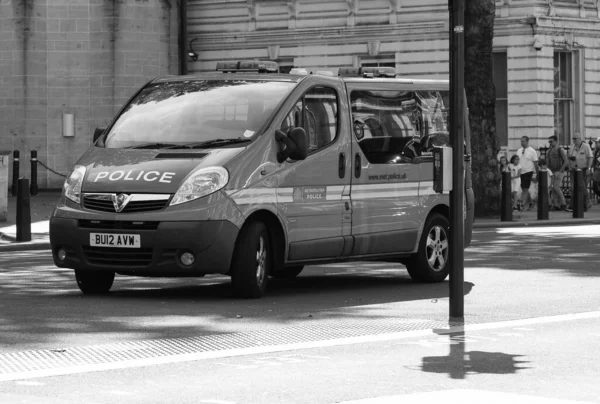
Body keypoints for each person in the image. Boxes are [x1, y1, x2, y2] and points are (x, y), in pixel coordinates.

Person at [568, 133, 593, 211]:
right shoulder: (572, 147)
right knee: (573, 188)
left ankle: (586, 204)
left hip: (583, 170)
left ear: (579, 139)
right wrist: (569, 165)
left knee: (582, 188)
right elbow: (568, 157)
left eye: (575, 139)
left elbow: (590, 157)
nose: (574, 140)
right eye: (573, 139)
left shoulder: (586, 147)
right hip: (573, 170)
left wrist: (589, 168)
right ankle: (573, 205)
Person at [516, 136, 539, 211]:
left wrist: (537, 173)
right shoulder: (519, 150)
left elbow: (535, 163)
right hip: (520, 172)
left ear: (527, 141)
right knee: (523, 188)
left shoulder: (532, 151)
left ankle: (522, 205)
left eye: (523, 141)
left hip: (528, 171)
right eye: (521, 141)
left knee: (525, 189)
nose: (521, 143)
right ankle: (531, 202)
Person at [546, 135, 568, 211]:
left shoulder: (560, 149)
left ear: (556, 141)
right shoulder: (549, 151)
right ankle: (556, 205)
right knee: (553, 188)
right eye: (549, 141)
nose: (550, 143)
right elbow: (548, 163)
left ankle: (563, 203)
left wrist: (560, 171)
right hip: (552, 171)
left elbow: (566, 161)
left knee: (556, 187)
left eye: (551, 141)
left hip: (559, 171)